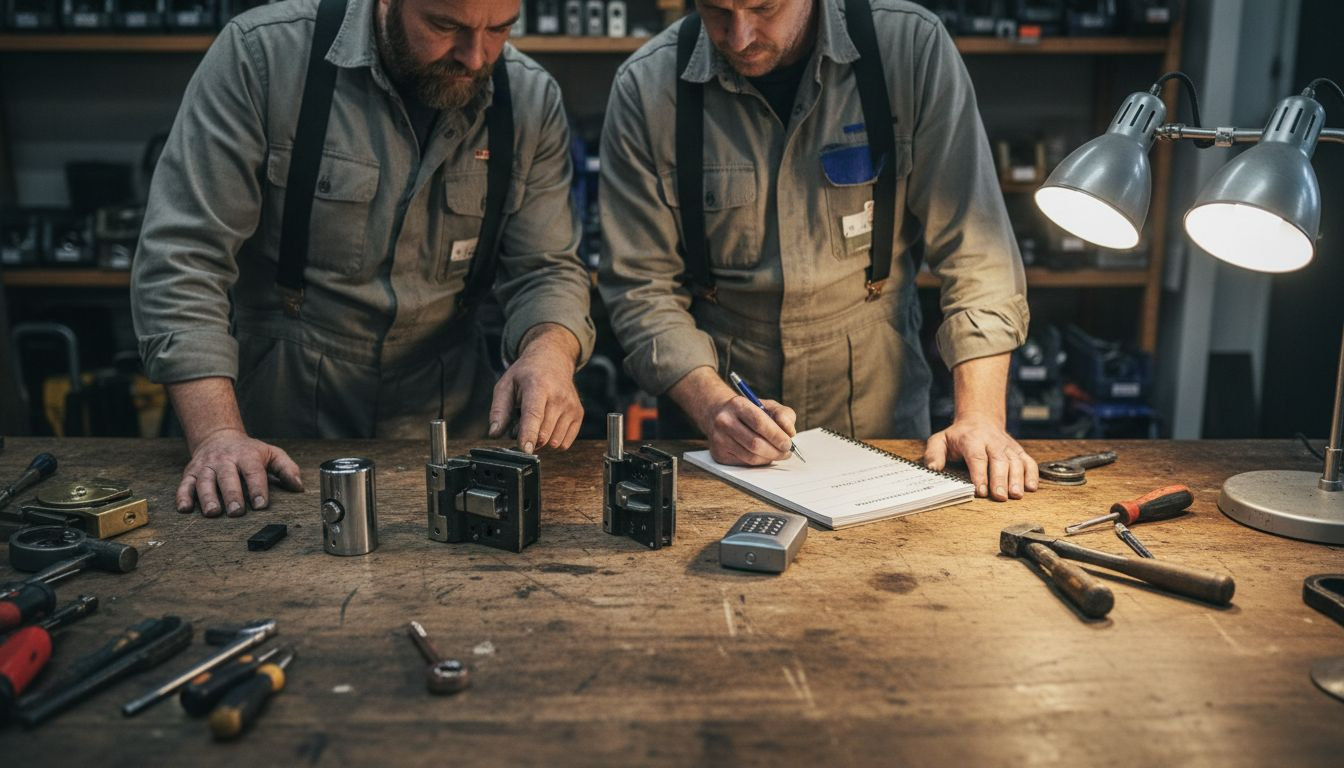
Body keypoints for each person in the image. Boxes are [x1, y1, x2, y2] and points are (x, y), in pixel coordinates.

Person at [132, 0, 595, 517]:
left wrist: (550, 352)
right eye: (445, 26)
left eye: (501, 28)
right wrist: (217, 432)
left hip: (449, 429)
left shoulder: (530, 100)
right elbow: (184, 258)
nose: (475, 56)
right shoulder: (264, 57)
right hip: (275, 429)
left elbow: (547, 268)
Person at [598, 0, 1037, 501]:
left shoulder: (910, 50)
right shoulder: (647, 87)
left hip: (881, 421)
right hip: (717, 440)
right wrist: (713, 406)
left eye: (763, 7)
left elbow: (978, 253)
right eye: (716, 10)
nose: (739, 36)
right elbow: (639, 287)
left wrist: (980, 416)